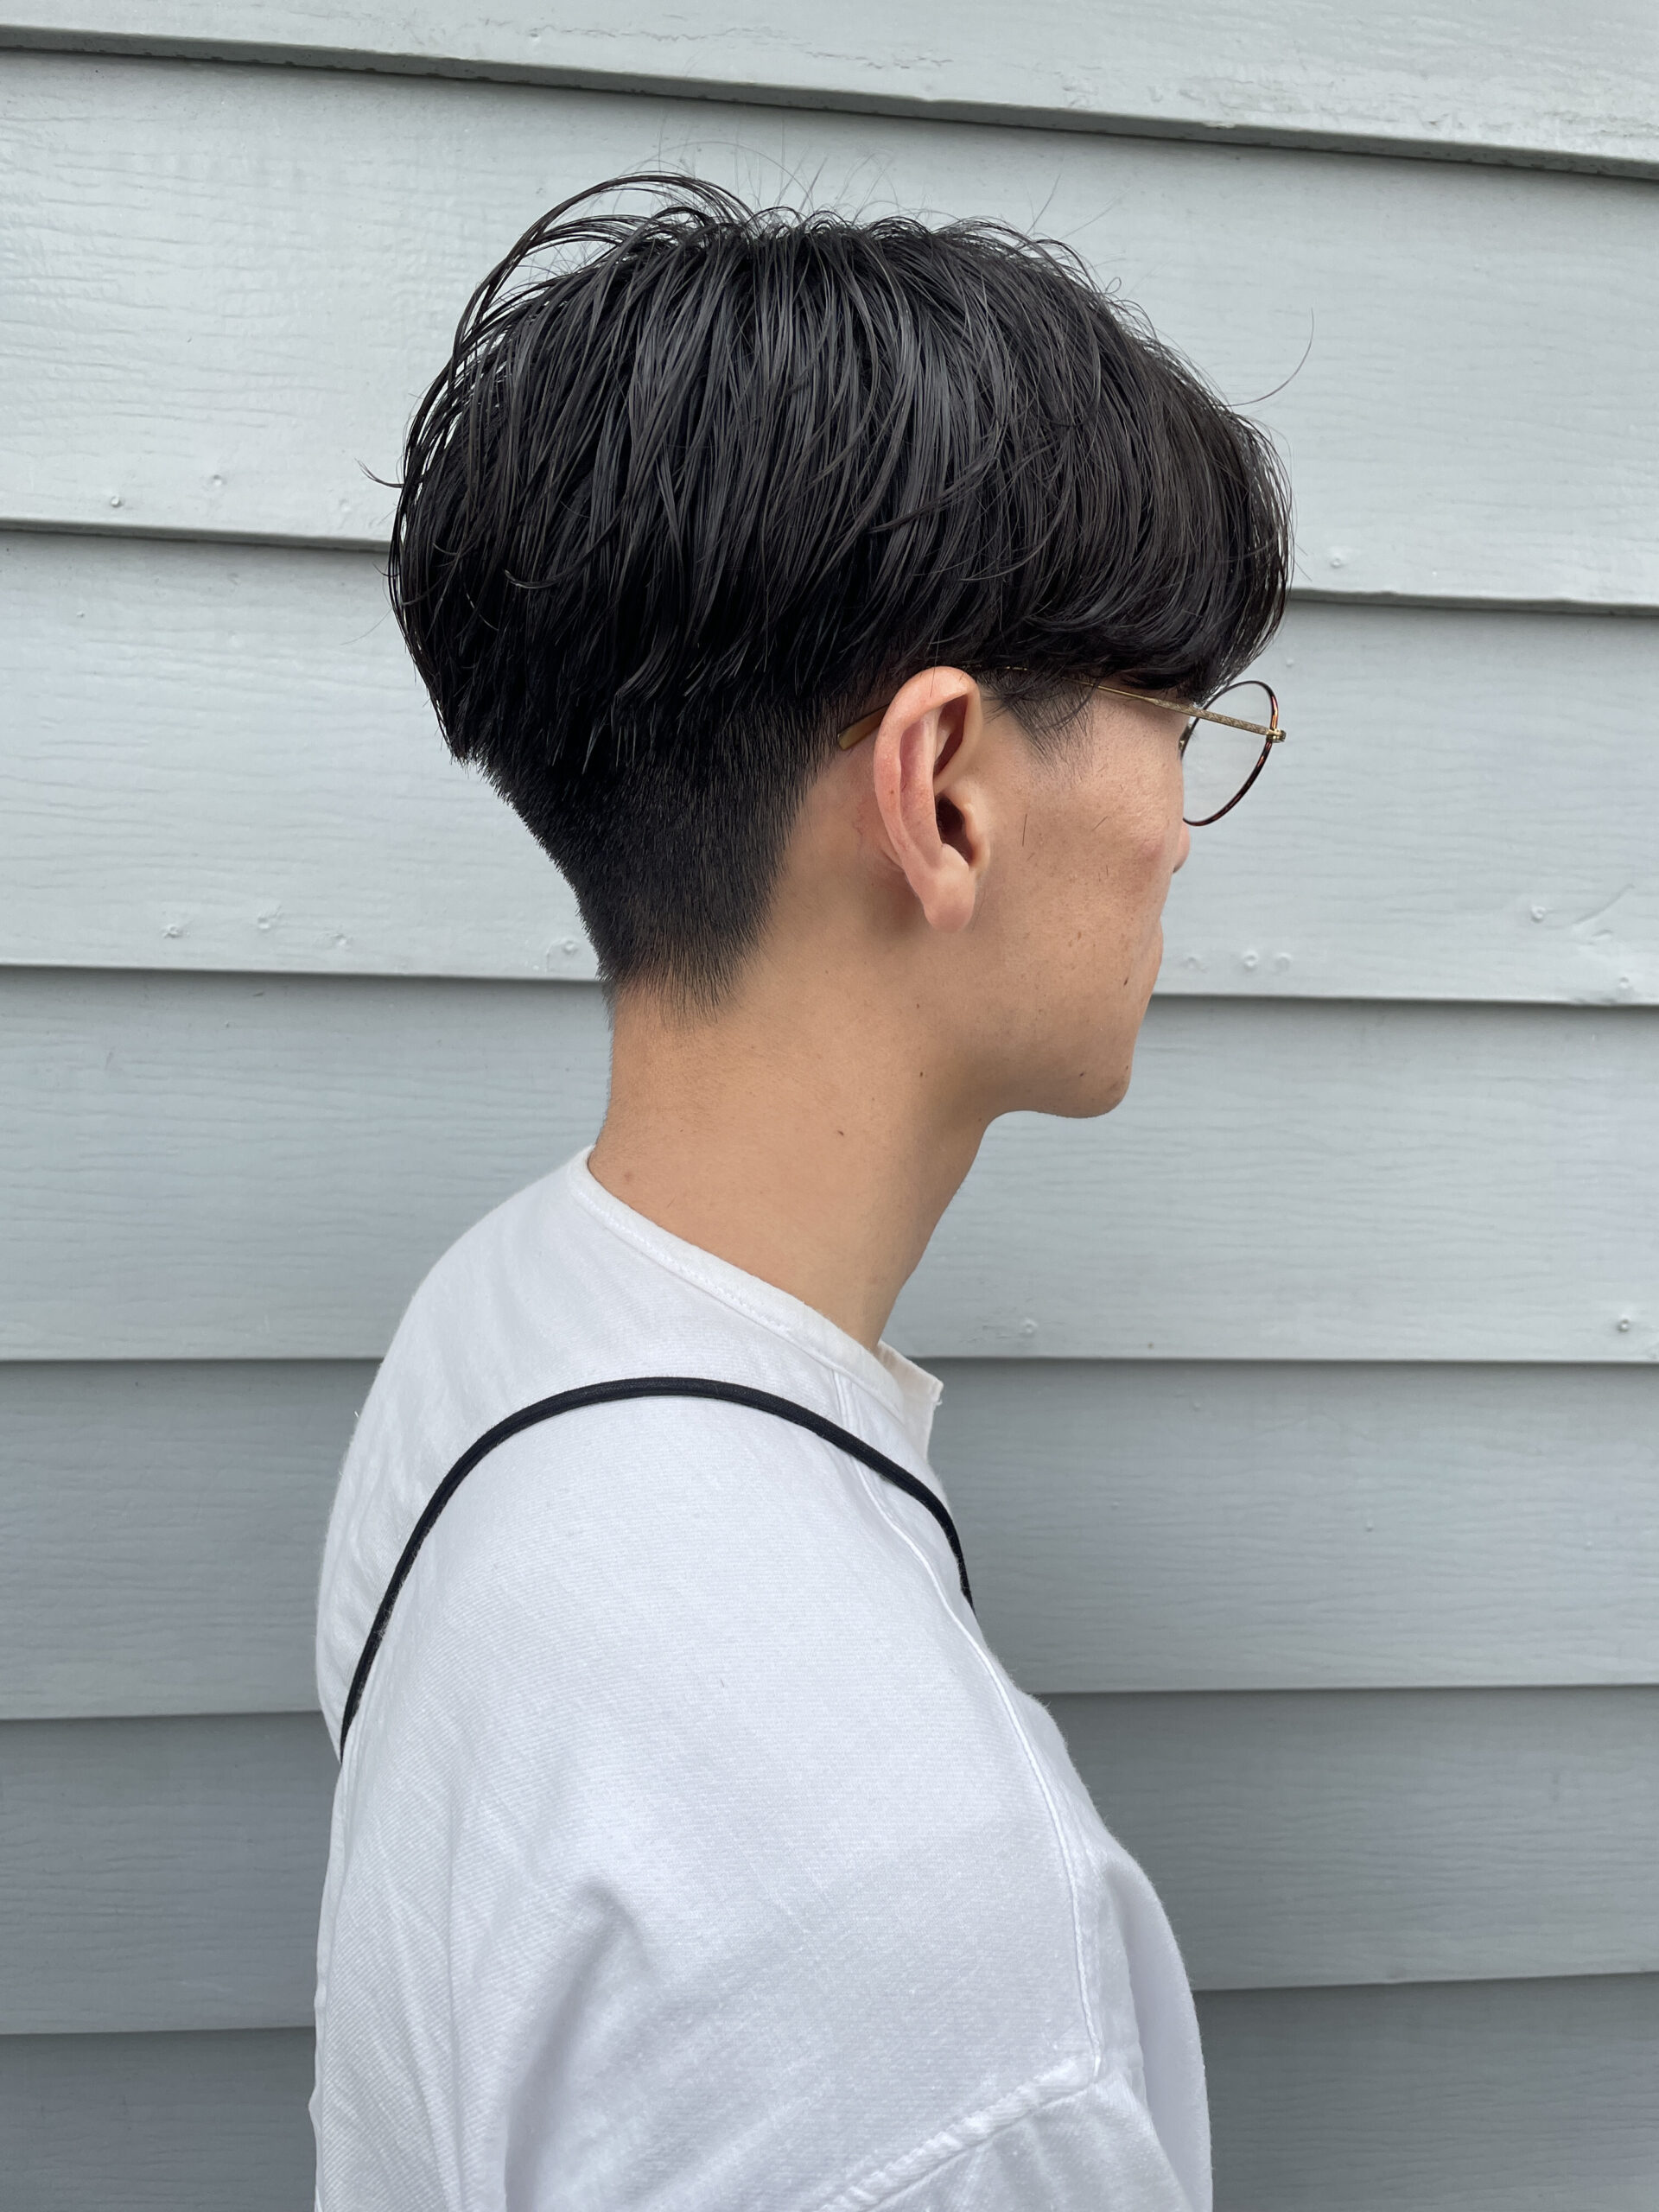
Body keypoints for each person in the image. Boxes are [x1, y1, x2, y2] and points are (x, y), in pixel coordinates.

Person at [312, 173, 1290, 2211]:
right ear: (946, 792)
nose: (1183, 831)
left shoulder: (497, 1323)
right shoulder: (935, 1969)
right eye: (1179, 721)